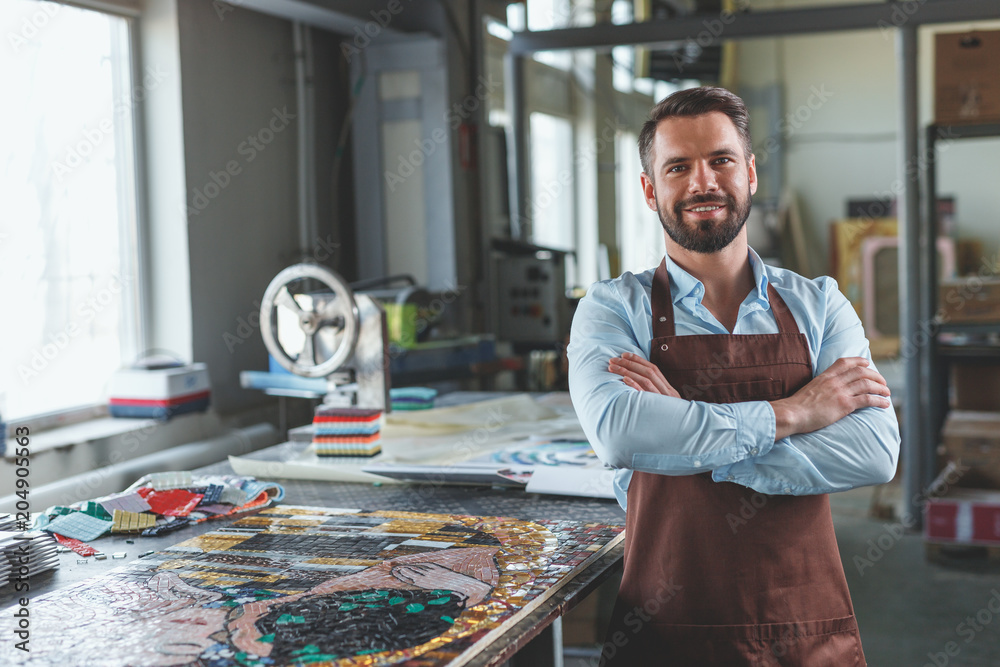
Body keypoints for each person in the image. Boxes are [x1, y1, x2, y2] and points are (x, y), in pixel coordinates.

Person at [567, 86, 900, 666]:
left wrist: (688, 443)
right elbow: (622, 434)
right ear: (650, 189)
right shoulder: (614, 309)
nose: (703, 182)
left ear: (749, 173)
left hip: (806, 630)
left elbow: (873, 452)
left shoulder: (820, 305)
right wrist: (795, 413)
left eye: (720, 160)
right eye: (678, 167)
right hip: (666, 630)